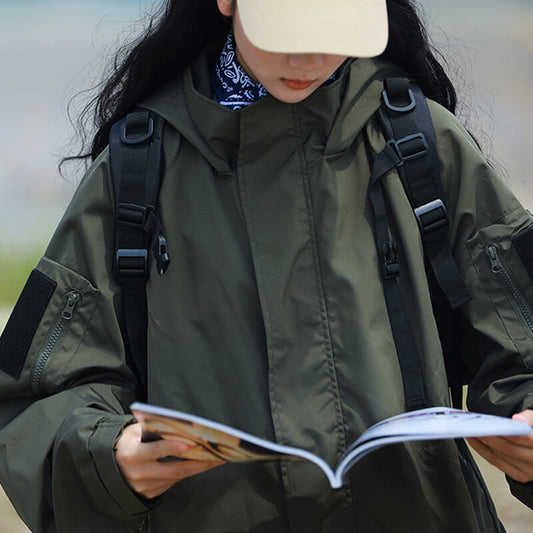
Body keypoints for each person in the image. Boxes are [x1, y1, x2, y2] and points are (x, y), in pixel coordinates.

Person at [1, 0, 533, 531]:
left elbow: (519, 341)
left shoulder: (422, 140)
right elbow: (36, 397)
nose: (309, 59)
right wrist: (111, 460)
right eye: (287, 31)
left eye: (334, 30)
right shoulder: (136, 167)